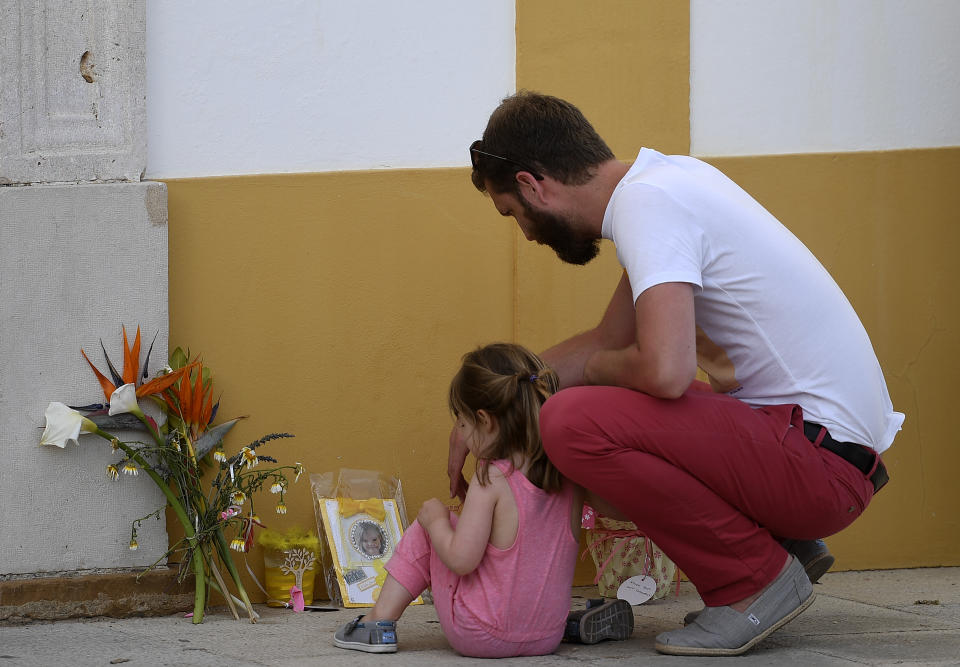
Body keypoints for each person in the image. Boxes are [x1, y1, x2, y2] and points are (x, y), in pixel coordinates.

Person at [458, 91, 904, 657]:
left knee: (570, 421)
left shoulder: (649, 207)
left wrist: (591, 372)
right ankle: (780, 544)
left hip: (819, 466)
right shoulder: (669, 184)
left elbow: (664, 373)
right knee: (576, 410)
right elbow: (607, 340)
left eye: (513, 212)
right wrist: (496, 406)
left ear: (533, 184)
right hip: (821, 452)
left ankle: (754, 582)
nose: (524, 231)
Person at [333, 343, 633, 656]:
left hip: (480, 632)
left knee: (433, 525)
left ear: (484, 420)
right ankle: (569, 622)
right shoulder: (567, 475)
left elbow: (462, 560)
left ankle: (377, 623)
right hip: (546, 636)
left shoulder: (492, 477)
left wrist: (435, 520)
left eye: (462, 424)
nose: (461, 433)